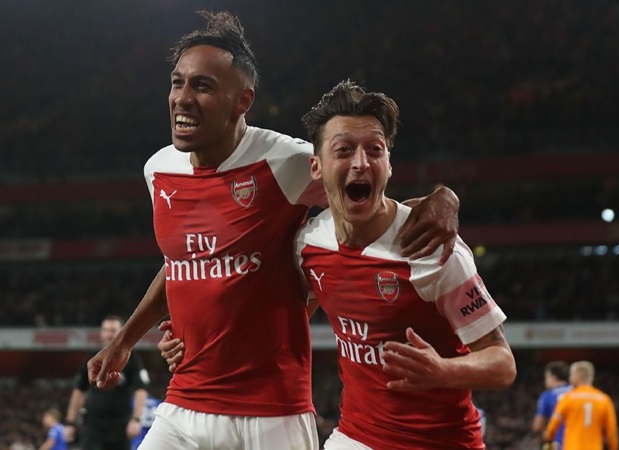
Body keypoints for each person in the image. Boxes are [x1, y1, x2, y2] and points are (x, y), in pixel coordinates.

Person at [87, 11, 459, 450]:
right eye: (177, 83)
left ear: (242, 101)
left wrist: (443, 197)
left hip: (272, 412)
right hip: (184, 403)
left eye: (202, 86)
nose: (182, 98)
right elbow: (179, 262)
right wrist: (124, 341)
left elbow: (371, 207)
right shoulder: (159, 169)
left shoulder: (287, 163)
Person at [292, 80, 516, 449]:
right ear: (316, 167)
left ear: (389, 165)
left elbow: (502, 363)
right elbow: (290, 314)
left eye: (374, 150)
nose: (361, 162)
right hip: (356, 437)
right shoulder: (309, 244)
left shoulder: (432, 249)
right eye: (344, 150)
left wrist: (444, 370)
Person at [65, 315, 148, 450]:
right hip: (93, 426)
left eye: (113, 330)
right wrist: (70, 422)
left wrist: (136, 419)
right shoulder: (92, 357)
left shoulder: (131, 359)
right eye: (106, 330)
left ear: (121, 332)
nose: (109, 334)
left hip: (120, 426)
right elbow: (79, 390)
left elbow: (141, 389)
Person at [543, 361, 619, 450]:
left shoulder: (567, 398)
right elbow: (612, 431)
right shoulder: (604, 400)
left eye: (571, 375)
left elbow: (552, 426)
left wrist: (548, 439)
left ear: (577, 377)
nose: (570, 378)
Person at [532, 361, 571, 449]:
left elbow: (538, 426)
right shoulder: (576, 393)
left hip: (557, 444)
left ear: (553, 377)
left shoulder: (548, 395)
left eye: (546, 377)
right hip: (577, 443)